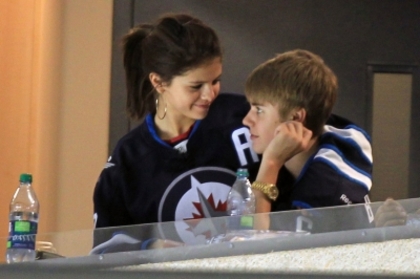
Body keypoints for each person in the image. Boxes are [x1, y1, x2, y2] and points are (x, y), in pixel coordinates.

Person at [92, 13, 260, 246]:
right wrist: (150, 248)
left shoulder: (246, 118)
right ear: (158, 82)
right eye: (196, 86)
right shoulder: (127, 161)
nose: (209, 94)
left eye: (215, 81)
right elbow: (103, 249)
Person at [241, 49, 375, 229]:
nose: (246, 120)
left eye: (259, 110)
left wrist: (271, 163)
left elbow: (254, 247)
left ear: (295, 119)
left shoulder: (328, 185)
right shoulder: (289, 169)